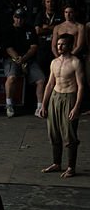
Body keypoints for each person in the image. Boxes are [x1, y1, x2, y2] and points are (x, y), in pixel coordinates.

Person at [38, 32, 84, 177]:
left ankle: (71, 167)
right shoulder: (54, 62)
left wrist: (76, 107)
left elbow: (81, 86)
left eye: (63, 44)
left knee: (69, 134)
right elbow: (50, 84)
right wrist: (43, 105)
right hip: (55, 97)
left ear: (70, 46)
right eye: (58, 44)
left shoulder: (75, 62)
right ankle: (56, 163)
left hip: (69, 97)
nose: (59, 46)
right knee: (53, 132)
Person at [2, 9, 46, 118]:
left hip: (28, 59)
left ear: (24, 19)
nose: (19, 20)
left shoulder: (30, 29)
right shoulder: (8, 29)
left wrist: (24, 58)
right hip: (12, 59)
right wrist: (19, 59)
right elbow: (8, 48)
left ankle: (39, 108)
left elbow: (34, 47)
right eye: (17, 17)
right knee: (11, 78)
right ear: (13, 17)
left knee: (41, 79)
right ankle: (9, 105)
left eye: (21, 18)